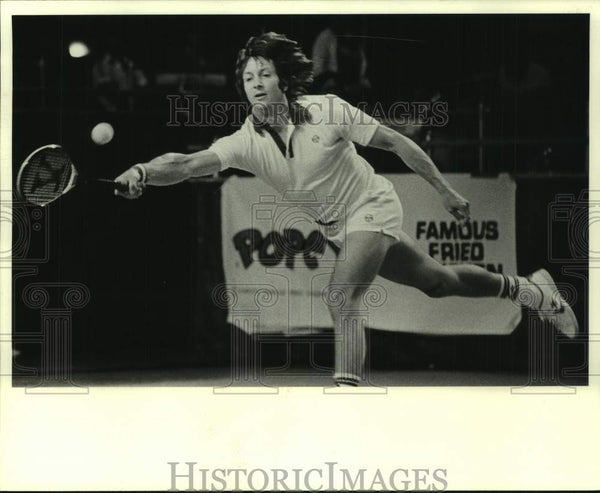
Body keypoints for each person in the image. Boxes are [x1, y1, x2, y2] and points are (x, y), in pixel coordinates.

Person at [115, 32, 578, 387]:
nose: (255, 84)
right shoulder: (245, 142)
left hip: (372, 205)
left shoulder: (328, 110)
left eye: (265, 75)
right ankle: (532, 291)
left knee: (341, 298)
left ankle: (348, 399)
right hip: (340, 226)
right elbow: (186, 163)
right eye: (248, 78)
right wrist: (142, 171)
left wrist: (443, 190)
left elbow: (396, 141)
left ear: (284, 80)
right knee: (438, 282)